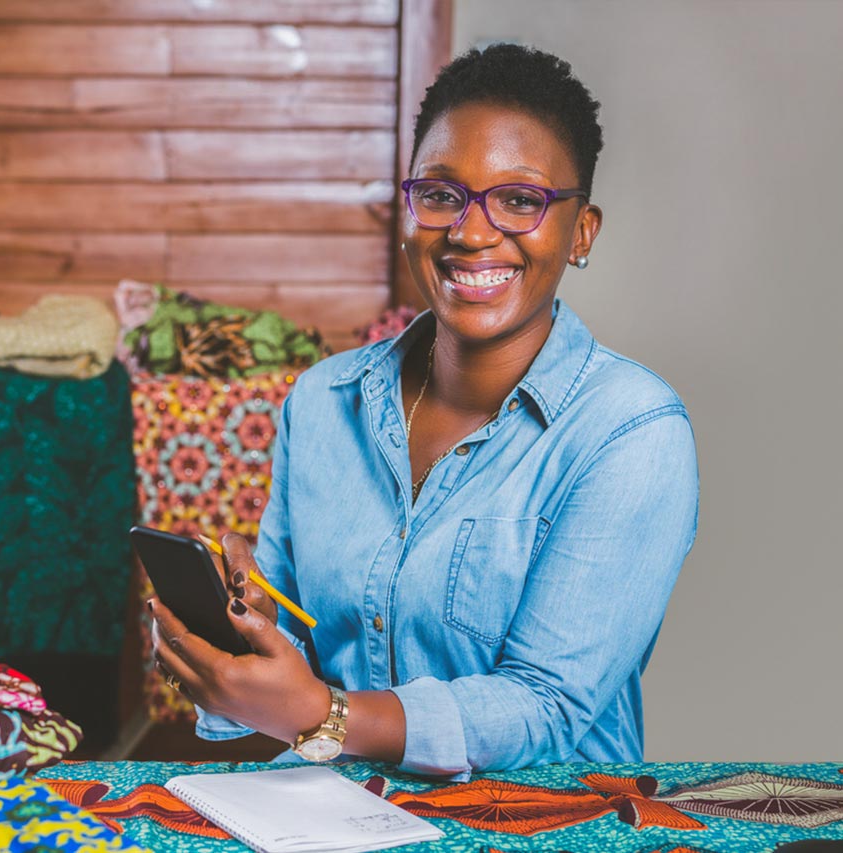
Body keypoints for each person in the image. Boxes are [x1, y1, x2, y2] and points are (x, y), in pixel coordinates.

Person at [150, 43, 699, 779]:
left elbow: (549, 706)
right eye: (441, 194)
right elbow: (292, 662)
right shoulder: (322, 402)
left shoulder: (629, 431)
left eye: (519, 199)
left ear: (581, 231)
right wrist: (245, 640)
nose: (471, 232)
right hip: (336, 817)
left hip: (551, 824)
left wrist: (323, 712)